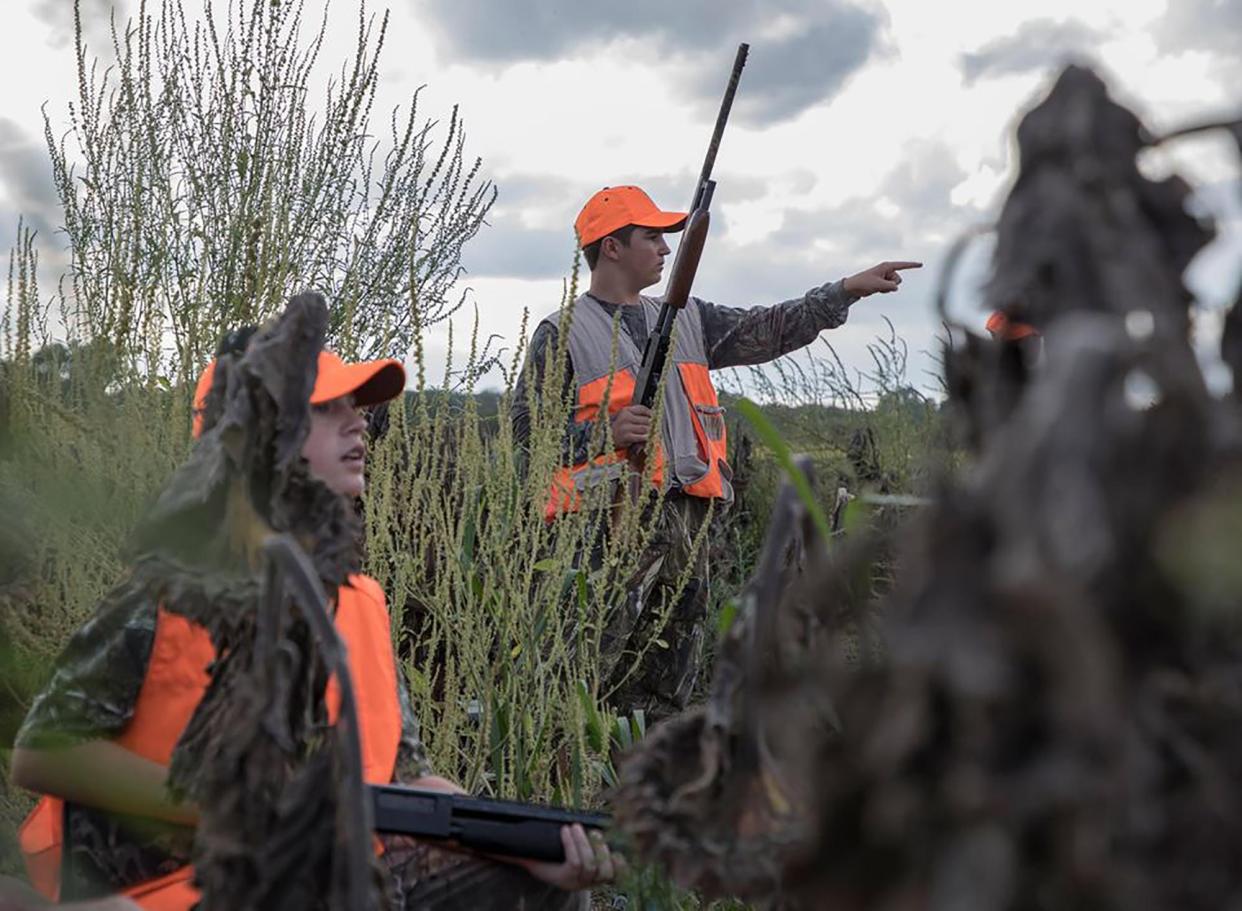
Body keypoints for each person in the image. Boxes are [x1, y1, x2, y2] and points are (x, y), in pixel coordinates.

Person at [11, 312, 616, 909]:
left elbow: (402, 776)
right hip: (187, 885)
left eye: (357, 407)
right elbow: (43, 752)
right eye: (326, 409)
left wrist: (511, 837)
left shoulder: (359, 601)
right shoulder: (167, 593)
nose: (359, 423)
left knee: (537, 886)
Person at [512, 184, 920, 720]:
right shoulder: (560, 334)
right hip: (604, 534)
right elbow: (525, 445)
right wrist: (603, 435)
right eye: (652, 237)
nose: (664, 249)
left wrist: (845, 291)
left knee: (663, 695)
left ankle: (644, 793)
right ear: (611, 248)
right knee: (578, 679)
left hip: (689, 532)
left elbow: (766, 329)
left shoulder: (688, 318)